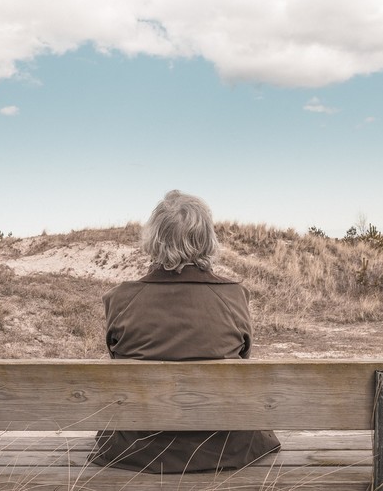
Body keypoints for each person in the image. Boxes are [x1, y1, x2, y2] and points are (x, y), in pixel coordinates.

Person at [89, 190, 281, 474]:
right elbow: (244, 359)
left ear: (154, 240)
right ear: (207, 240)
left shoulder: (120, 299)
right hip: (226, 447)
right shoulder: (234, 297)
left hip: (140, 450)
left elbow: (116, 357)